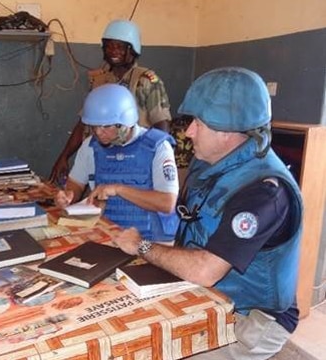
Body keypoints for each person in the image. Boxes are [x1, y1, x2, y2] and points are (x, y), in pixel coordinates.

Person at [112, 67, 303, 359]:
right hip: (212, 292)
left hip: (252, 316)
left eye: (198, 124)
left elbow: (204, 270)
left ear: (229, 131)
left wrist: (143, 246)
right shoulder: (211, 161)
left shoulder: (265, 193)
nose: (188, 132)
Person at [49, 19, 172, 184]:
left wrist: (156, 159)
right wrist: (64, 157)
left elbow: (161, 125)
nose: (113, 51)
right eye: (109, 46)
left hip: (135, 156)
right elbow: (83, 124)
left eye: (120, 46)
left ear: (132, 49)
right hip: (103, 156)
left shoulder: (146, 81)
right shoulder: (100, 81)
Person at [54, 83, 179, 242]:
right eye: (94, 126)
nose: (99, 132)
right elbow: (76, 185)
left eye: (106, 126)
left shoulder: (157, 147)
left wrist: (119, 189)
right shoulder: (91, 146)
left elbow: (167, 203)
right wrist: (68, 196)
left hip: (151, 242)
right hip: (108, 235)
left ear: (125, 123)